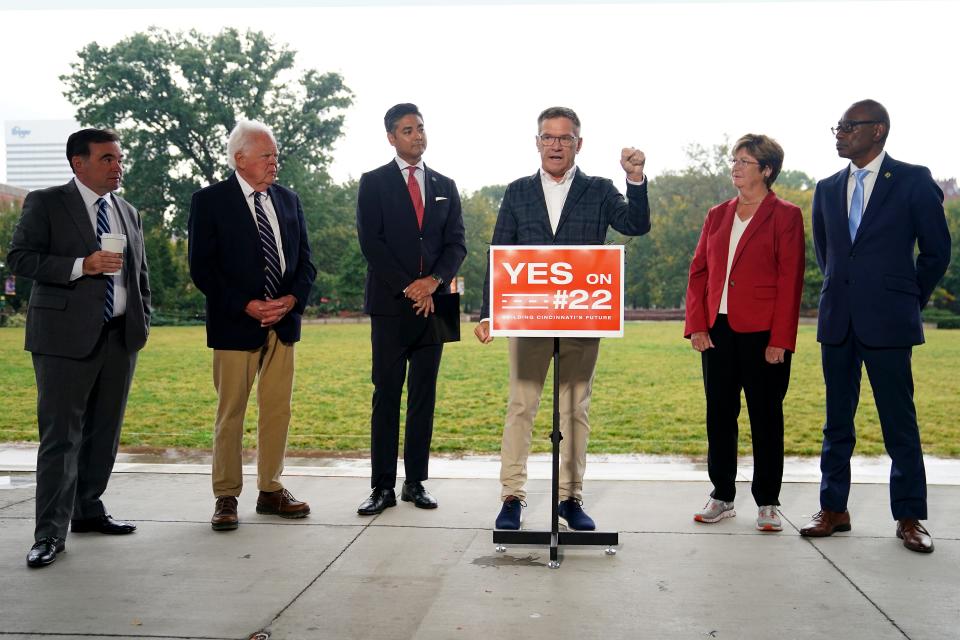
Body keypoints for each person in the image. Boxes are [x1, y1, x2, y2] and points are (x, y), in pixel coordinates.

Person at [475, 106, 650, 531]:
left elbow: (637, 224)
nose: (556, 145)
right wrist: (487, 313)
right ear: (537, 142)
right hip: (528, 321)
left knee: (574, 410)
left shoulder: (600, 189)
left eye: (565, 138)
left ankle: (569, 498)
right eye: (548, 137)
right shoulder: (516, 192)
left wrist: (636, 179)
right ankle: (512, 497)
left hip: (582, 320)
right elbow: (500, 253)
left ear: (578, 143)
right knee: (521, 407)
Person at [802, 99, 951, 553]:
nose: (840, 133)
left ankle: (910, 518)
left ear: (878, 131)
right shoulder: (826, 188)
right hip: (838, 322)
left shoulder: (912, 180)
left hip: (889, 322)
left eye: (850, 126)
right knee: (836, 423)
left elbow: (936, 252)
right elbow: (828, 255)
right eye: (838, 126)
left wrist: (904, 297)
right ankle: (834, 509)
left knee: (899, 423)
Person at [8, 128, 151, 568]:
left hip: (118, 338)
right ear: (78, 163)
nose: (117, 166)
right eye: (107, 158)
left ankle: (88, 509)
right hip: (62, 340)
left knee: (103, 435)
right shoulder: (47, 202)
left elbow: (139, 275)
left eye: (119, 158)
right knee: (61, 438)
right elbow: (20, 258)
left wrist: (141, 321)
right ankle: (49, 533)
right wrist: (80, 265)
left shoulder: (127, 211)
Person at [188, 120, 317, 531]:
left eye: (275, 155)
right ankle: (226, 496)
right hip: (234, 324)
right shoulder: (209, 202)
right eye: (266, 155)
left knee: (278, 409)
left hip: (284, 323)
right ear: (240, 159)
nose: (274, 162)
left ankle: (271, 489)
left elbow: (306, 263)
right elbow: (202, 269)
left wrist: (292, 299)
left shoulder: (289, 200)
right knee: (231, 413)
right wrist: (246, 304)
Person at [684, 134, 805, 531]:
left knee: (766, 417)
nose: (735, 167)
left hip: (763, 334)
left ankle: (768, 502)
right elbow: (698, 271)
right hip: (717, 331)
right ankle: (722, 495)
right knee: (719, 414)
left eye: (744, 161)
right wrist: (697, 325)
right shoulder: (717, 214)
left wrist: (781, 340)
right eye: (734, 160)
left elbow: (791, 281)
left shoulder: (786, 215)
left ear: (766, 170)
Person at [355, 103, 466, 515]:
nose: (417, 135)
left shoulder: (445, 185)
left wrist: (432, 283)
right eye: (407, 130)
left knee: (424, 395)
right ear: (390, 137)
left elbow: (457, 243)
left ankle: (415, 482)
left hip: (435, 306)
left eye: (420, 128)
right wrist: (409, 286)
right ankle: (381, 487)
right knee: (387, 395)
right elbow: (373, 245)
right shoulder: (373, 183)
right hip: (389, 307)